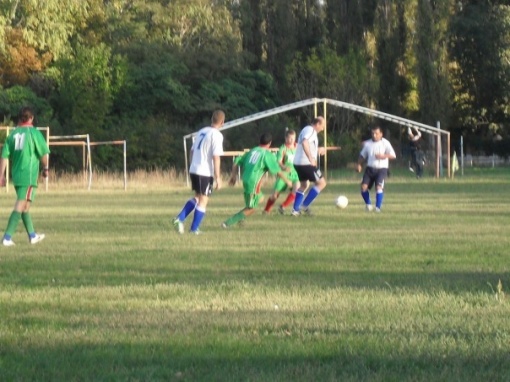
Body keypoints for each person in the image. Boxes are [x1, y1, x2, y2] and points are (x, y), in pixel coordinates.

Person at [0, 106, 50, 246]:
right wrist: (46, 168)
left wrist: (1, 175)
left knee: (25, 206)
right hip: (28, 175)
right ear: (31, 118)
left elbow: (4, 156)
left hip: (16, 176)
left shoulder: (12, 134)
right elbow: (44, 153)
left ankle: (32, 236)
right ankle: (7, 237)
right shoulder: (34, 133)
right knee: (21, 204)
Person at [222, 133, 292, 228]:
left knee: (260, 198)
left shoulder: (253, 151)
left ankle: (241, 218)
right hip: (253, 182)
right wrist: (287, 181)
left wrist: (233, 176)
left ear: (259, 141)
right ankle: (227, 223)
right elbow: (277, 171)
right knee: (252, 209)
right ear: (270, 143)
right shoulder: (267, 154)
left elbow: (237, 159)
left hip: (246, 179)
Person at [173, 110, 225, 234]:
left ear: (211, 119)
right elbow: (216, 157)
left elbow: (191, 151)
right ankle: (191, 227)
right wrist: (218, 177)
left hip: (194, 168)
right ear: (223, 122)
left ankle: (181, 220)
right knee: (204, 200)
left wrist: (192, 165)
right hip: (204, 171)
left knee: (198, 197)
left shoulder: (202, 131)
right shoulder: (217, 135)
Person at [291, 116, 327, 216]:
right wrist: (310, 157)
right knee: (321, 183)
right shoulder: (310, 130)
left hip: (298, 163)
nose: (322, 129)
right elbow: (305, 142)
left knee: (304, 185)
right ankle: (304, 205)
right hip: (306, 163)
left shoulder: (307, 130)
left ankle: (295, 210)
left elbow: (308, 144)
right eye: (322, 126)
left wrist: (318, 150)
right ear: (318, 124)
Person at [356, 125, 396, 212]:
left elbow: (393, 155)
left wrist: (383, 156)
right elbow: (362, 155)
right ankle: (368, 205)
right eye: (373, 133)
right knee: (363, 187)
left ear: (381, 134)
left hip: (382, 169)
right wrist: (359, 164)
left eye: (376, 133)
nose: (374, 135)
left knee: (378, 187)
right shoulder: (368, 144)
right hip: (370, 169)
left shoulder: (385, 143)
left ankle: (378, 208)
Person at [263, 129, 299, 215]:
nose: (291, 140)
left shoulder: (298, 147)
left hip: (295, 173)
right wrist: (284, 167)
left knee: (297, 190)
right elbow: (279, 162)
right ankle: (266, 210)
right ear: (285, 138)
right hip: (284, 174)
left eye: (293, 138)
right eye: (289, 138)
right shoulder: (283, 149)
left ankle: (283, 206)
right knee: (275, 195)